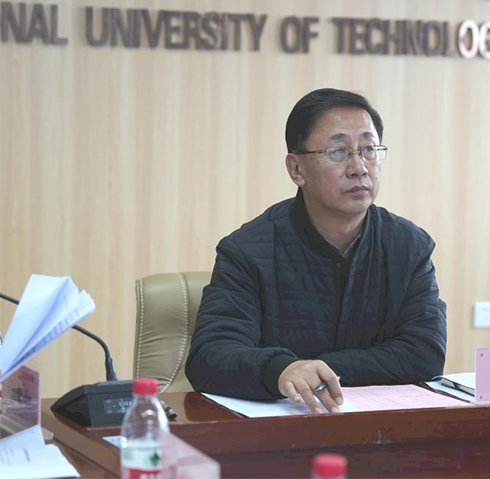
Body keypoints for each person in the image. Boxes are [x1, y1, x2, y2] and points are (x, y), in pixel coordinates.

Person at [185, 88, 447, 414]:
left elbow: (424, 354)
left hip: (379, 429)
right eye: (338, 151)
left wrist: (314, 370)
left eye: (368, 149)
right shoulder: (249, 251)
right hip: (282, 431)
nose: (359, 167)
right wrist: (280, 370)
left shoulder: (408, 246)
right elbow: (210, 357)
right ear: (296, 169)